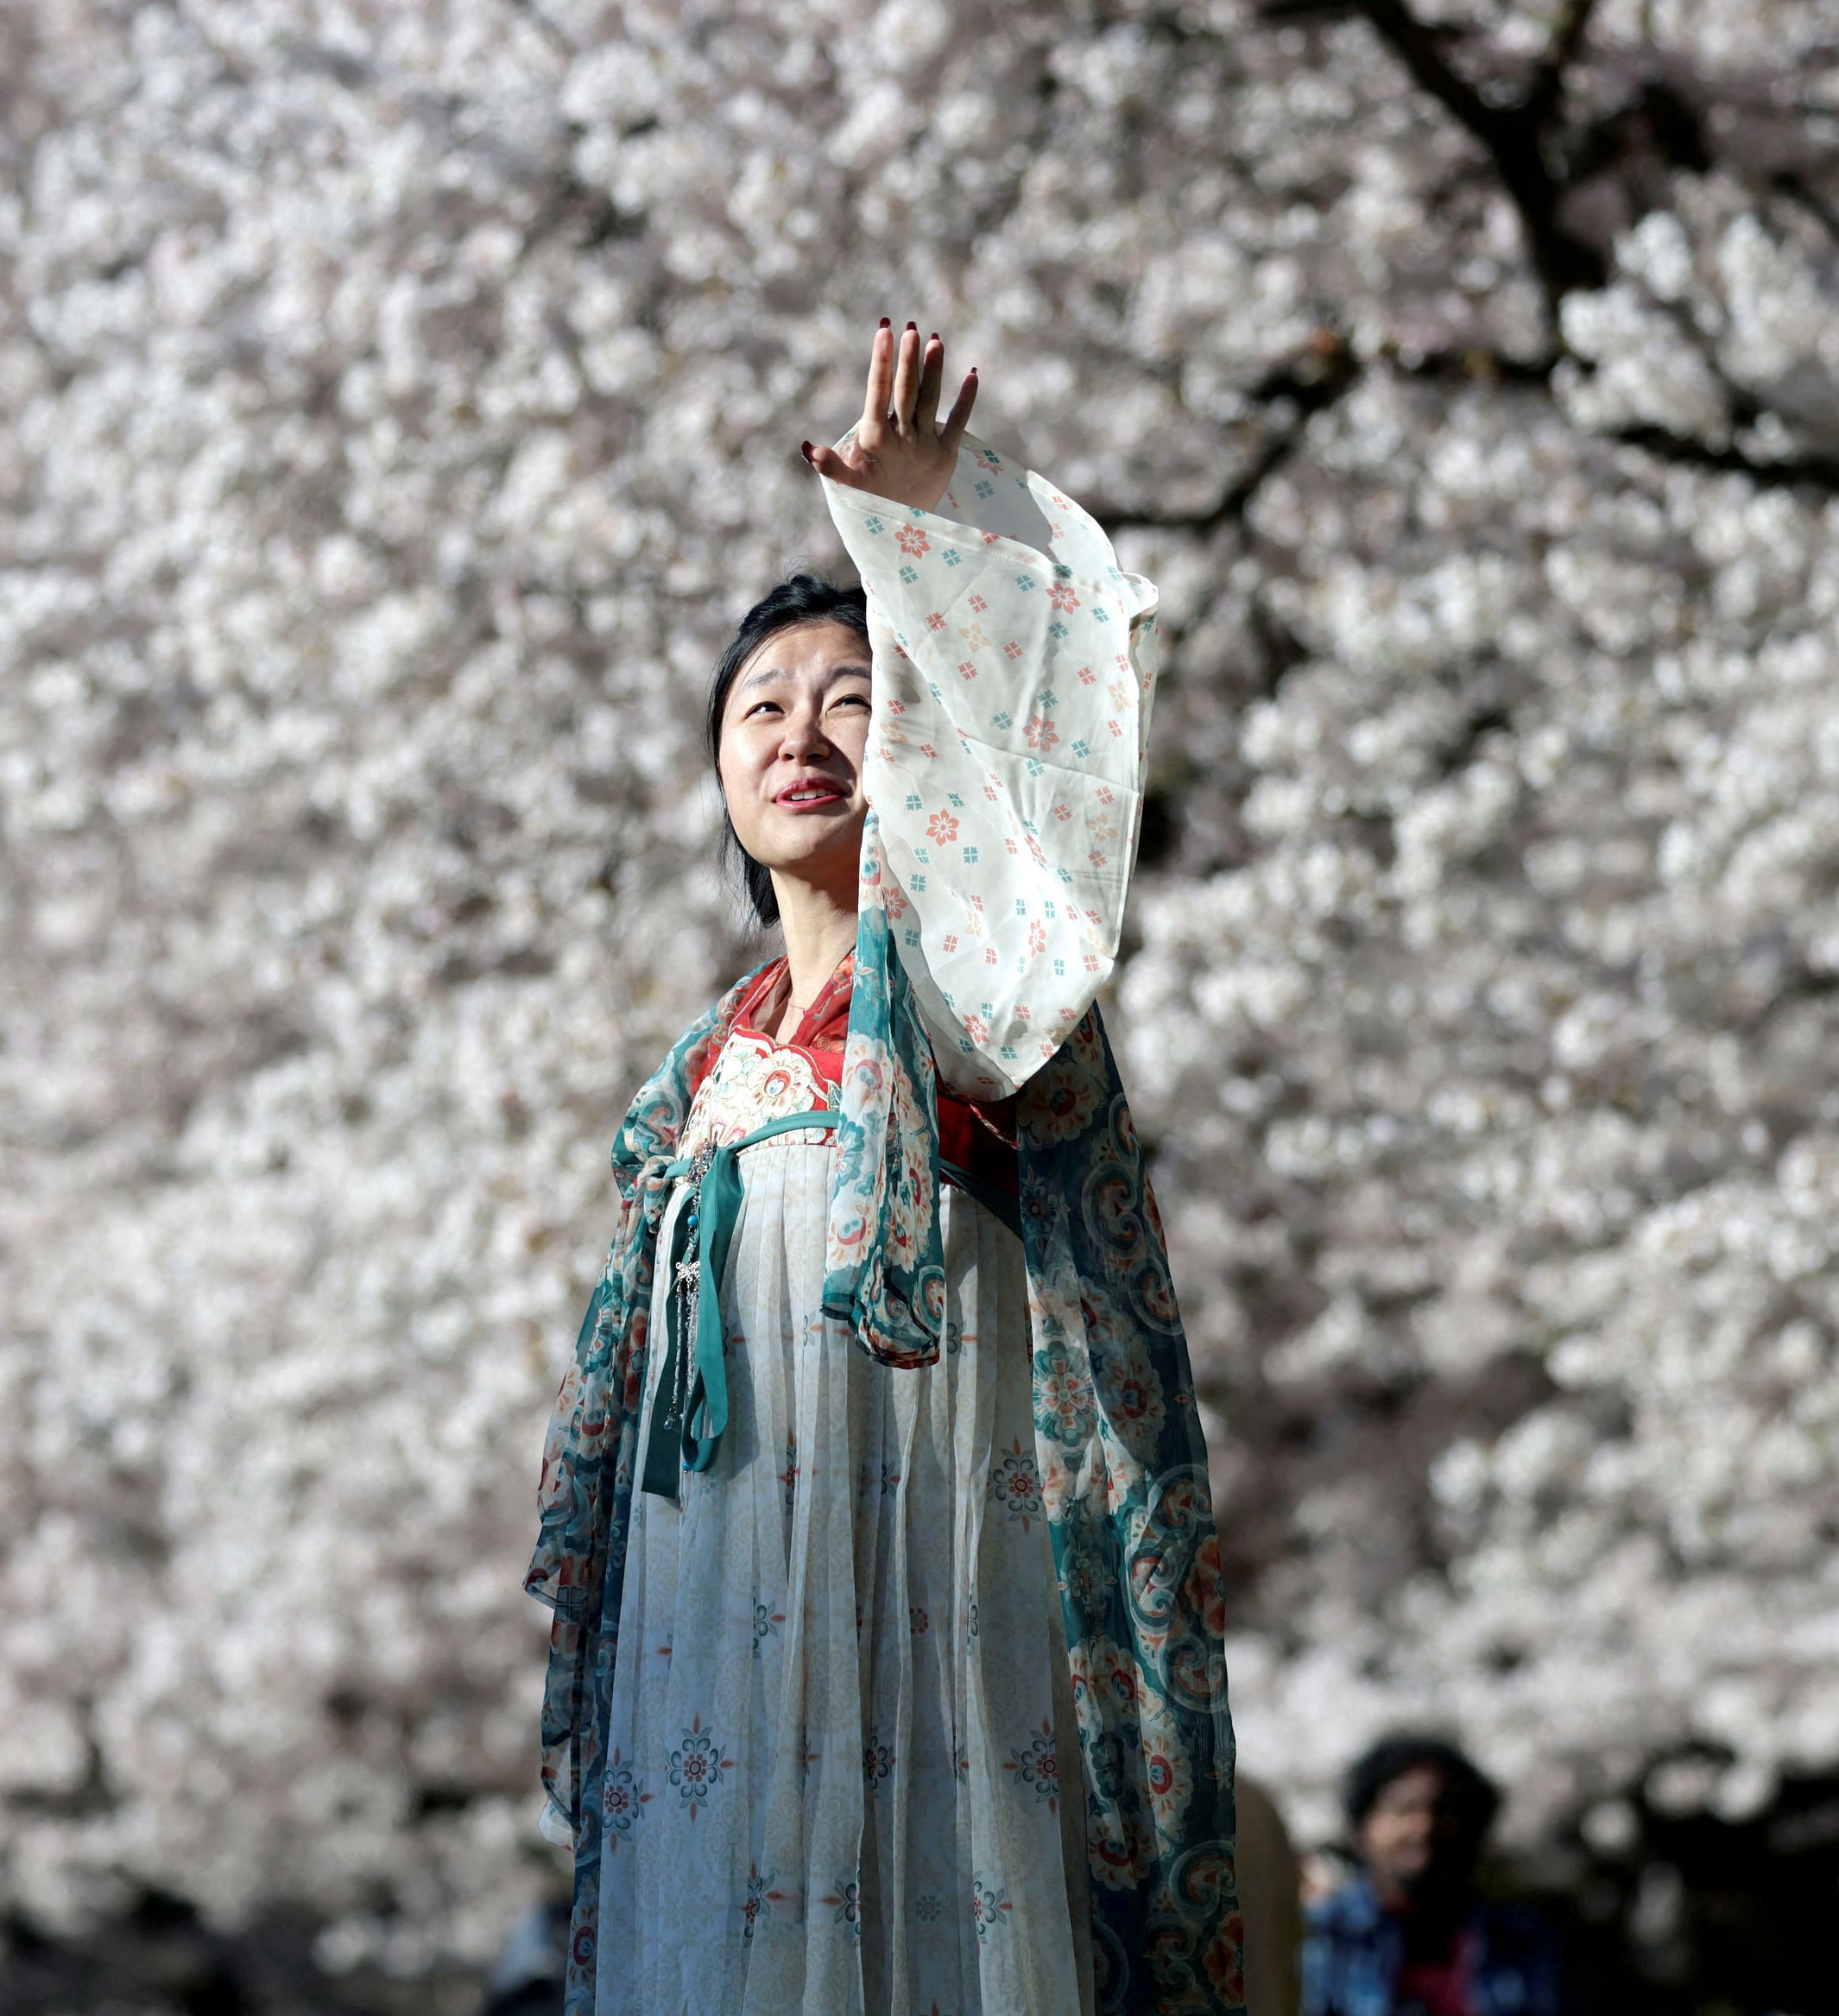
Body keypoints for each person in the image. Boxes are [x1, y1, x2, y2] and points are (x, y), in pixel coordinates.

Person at [527, 319, 1238, 2012]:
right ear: (714, 777)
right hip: (718, 1626)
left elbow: (1033, 791)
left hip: (925, 1591)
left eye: (855, 699)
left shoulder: (971, 994)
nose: (801, 732)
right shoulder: (690, 1087)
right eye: (760, 707)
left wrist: (920, 543)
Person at [1300, 1735, 1564, 2016]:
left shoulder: (1521, 1943)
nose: (1423, 1826)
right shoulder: (1319, 1939)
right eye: (1404, 1809)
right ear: (1360, 1830)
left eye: (1443, 1810)